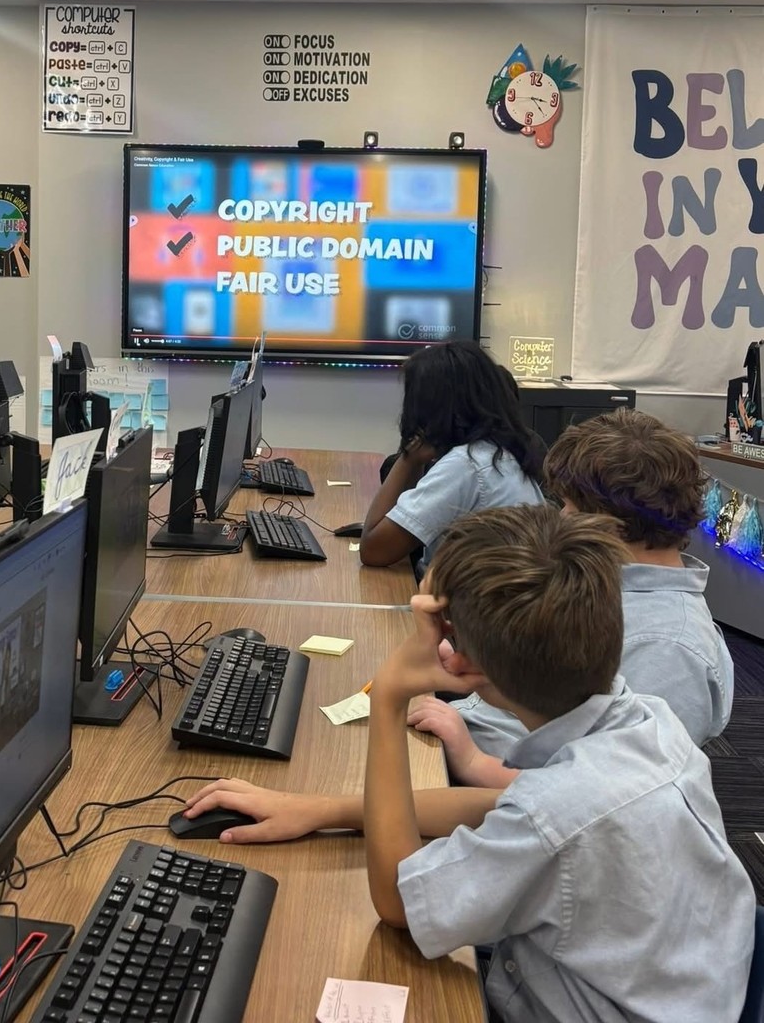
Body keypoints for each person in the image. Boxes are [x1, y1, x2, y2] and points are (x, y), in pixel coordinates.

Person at [185, 505, 756, 1021]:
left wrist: (388, 698)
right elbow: (499, 806)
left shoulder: (555, 813)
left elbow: (395, 898)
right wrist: (323, 808)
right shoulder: (648, 723)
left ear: (461, 662)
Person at [411, 408, 734, 785]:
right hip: (467, 730)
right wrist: (481, 663)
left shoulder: (668, 648)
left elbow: (605, 795)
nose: (559, 518)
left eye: (569, 507)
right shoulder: (606, 585)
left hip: (490, 781)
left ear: (608, 523)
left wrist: (468, 757)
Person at [359, 341, 544, 575]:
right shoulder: (497, 453)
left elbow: (373, 550)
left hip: (471, 606)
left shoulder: (467, 466)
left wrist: (408, 459)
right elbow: (401, 518)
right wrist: (415, 459)